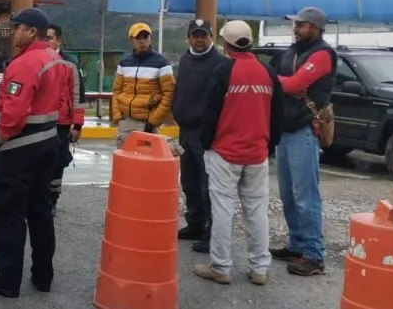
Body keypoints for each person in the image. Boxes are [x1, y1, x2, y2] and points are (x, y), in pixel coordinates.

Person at [0, 8, 65, 299]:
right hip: (48, 143)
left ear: (31, 32)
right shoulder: (54, 58)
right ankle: (43, 276)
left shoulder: (25, 63)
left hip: (20, 148)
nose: (13, 32)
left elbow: (14, 111)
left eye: (18, 27)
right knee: (40, 210)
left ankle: (8, 280)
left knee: (9, 212)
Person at [192, 20, 282, 286]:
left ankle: (220, 266)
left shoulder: (224, 70)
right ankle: (259, 268)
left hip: (226, 153)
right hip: (257, 153)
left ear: (226, 43)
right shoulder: (268, 72)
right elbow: (277, 116)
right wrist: (268, 146)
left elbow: (210, 113)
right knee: (256, 211)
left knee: (222, 209)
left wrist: (206, 144)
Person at [269, 7, 336, 276]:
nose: (295, 28)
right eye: (295, 24)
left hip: (304, 130)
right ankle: (297, 245)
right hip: (286, 130)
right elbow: (282, 80)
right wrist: (280, 80)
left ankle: (314, 255)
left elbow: (294, 85)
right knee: (288, 194)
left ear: (316, 28)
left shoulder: (322, 53)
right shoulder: (293, 51)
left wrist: (276, 80)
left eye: (302, 25)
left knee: (306, 196)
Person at [172, 18, 227, 253]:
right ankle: (195, 223)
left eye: (204, 34)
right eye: (196, 34)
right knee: (190, 182)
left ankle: (212, 233)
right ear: (189, 37)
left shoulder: (220, 63)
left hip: (205, 134)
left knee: (208, 185)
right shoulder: (185, 59)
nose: (200, 39)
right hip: (185, 131)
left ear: (211, 37)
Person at [111, 22, 175, 145]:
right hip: (125, 121)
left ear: (150, 39)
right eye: (138, 38)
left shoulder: (162, 63)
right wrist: (118, 117)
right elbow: (116, 91)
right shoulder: (124, 63)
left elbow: (169, 94)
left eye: (145, 37)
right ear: (131, 40)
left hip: (148, 123)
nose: (142, 41)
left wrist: (153, 121)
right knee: (125, 162)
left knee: (146, 162)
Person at [45, 23, 85, 216]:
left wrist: (77, 125)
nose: (47, 41)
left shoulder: (71, 64)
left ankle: (52, 200)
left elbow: (79, 96)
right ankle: (38, 199)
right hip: (42, 121)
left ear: (59, 40)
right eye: (44, 38)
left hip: (61, 124)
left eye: (50, 38)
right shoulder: (39, 61)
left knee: (57, 163)